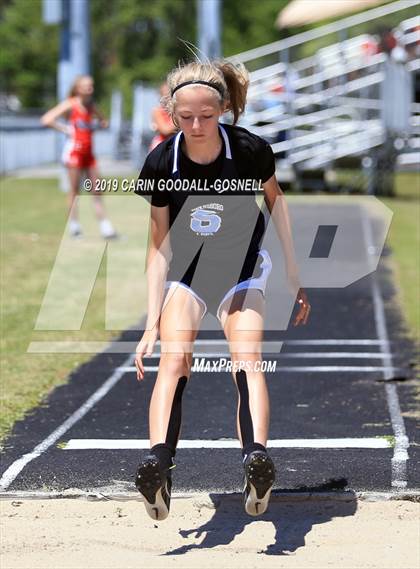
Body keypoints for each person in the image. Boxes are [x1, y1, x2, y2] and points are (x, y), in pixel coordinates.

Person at [133, 60, 311, 521]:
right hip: (187, 276)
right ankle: (158, 464)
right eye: (187, 117)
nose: (197, 126)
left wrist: (294, 270)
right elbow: (157, 247)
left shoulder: (250, 150)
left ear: (224, 109)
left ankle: (257, 459)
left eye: (207, 117)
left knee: (247, 357)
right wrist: (151, 320)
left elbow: (276, 202)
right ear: (172, 115)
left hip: (243, 269)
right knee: (173, 358)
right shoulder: (160, 162)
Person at [41, 75, 118, 239]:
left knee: (97, 190)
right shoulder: (71, 104)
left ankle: (106, 228)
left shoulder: (91, 106)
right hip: (74, 153)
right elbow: (46, 119)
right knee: (75, 191)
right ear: (77, 88)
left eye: (91, 85)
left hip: (89, 154)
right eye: (85, 86)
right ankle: (74, 226)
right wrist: (65, 129)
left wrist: (100, 124)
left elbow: (104, 121)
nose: (89, 88)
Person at [149, 82, 177, 152]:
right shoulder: (157, 111)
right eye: (165, 95)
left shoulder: (176, 111)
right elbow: (165, 130)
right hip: (162, 145)